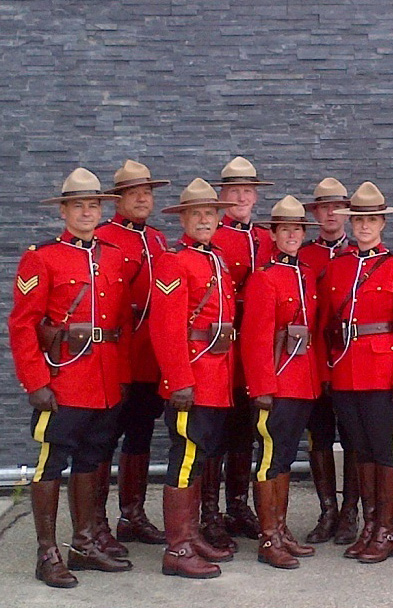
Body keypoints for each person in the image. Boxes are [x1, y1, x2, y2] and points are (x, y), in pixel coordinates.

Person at [10, 168, 133, 587]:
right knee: (51, 464)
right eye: (78, 204)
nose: (86, 211)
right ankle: (48, 553)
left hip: (104, 380)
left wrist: (122, 378)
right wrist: (36, 382)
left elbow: (121, 325)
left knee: (92, 459)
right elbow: (23, 325)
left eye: (93, 204)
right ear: (64, 210)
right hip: (63, 380)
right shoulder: (41, 258)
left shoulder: (114, 255)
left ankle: (84, 544)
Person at [321, 182, 393, 563]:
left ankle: (387, 531)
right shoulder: (339, 267)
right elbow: (328, 323)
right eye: (359, 219)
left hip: (384, 371)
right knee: (359, 450)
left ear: (382, 223)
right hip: (347, 370)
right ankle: (368, 525)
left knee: (385, 449)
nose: (365, 226)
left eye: (372, 219)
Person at [151, 178, 239, 579]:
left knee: (200, 456)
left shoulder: (216, 258)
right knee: (185, 458)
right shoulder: (174, 260)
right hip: (192, 376)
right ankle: (178, 548)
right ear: (183, 218)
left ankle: (192, 535)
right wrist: (178, 380)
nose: (204, 220)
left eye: (210, 214)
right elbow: (167, 328)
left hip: (216, 374)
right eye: (196, 214)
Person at [241, 195, 323, 569]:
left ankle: (282, 528)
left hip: (302, 380)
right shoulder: (265, 277)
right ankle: (267, 536)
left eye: (298, 229)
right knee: (270, 459)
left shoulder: (304, 274)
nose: (292, 235)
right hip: (275, 382)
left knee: (287, 457)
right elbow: (256, 338)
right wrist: (262, 387)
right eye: (286, 229)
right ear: (273, 233)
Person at [96, 160, 170, 549]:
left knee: (140, 436)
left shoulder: (158, 240)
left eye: (148, 192)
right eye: (133, 193)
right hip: (115, 354)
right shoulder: (103, 237)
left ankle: (132, 515)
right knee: (104, 440)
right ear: (117, 200)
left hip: (149, 357)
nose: (142, 199)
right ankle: (96, 525)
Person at [203, 156, 275, 549]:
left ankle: (237, 505)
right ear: (222, 195)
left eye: (248, 191)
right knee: (215, 430)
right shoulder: (214, 236)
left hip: (258, 344)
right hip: (221, 341)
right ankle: (209, 514)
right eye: (234, 191)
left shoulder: (266, 238)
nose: (242, 197)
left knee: (247, 430)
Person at [297, 177, 361, 546]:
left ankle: (350, 510)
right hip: (313, 359)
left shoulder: (360, 254)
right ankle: (328, 510)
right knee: (319, 437)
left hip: (352, 359)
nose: (331, 214)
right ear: (316, 214)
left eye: (338, 207)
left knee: (353, 436)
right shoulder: (304, 256)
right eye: (324, 208)